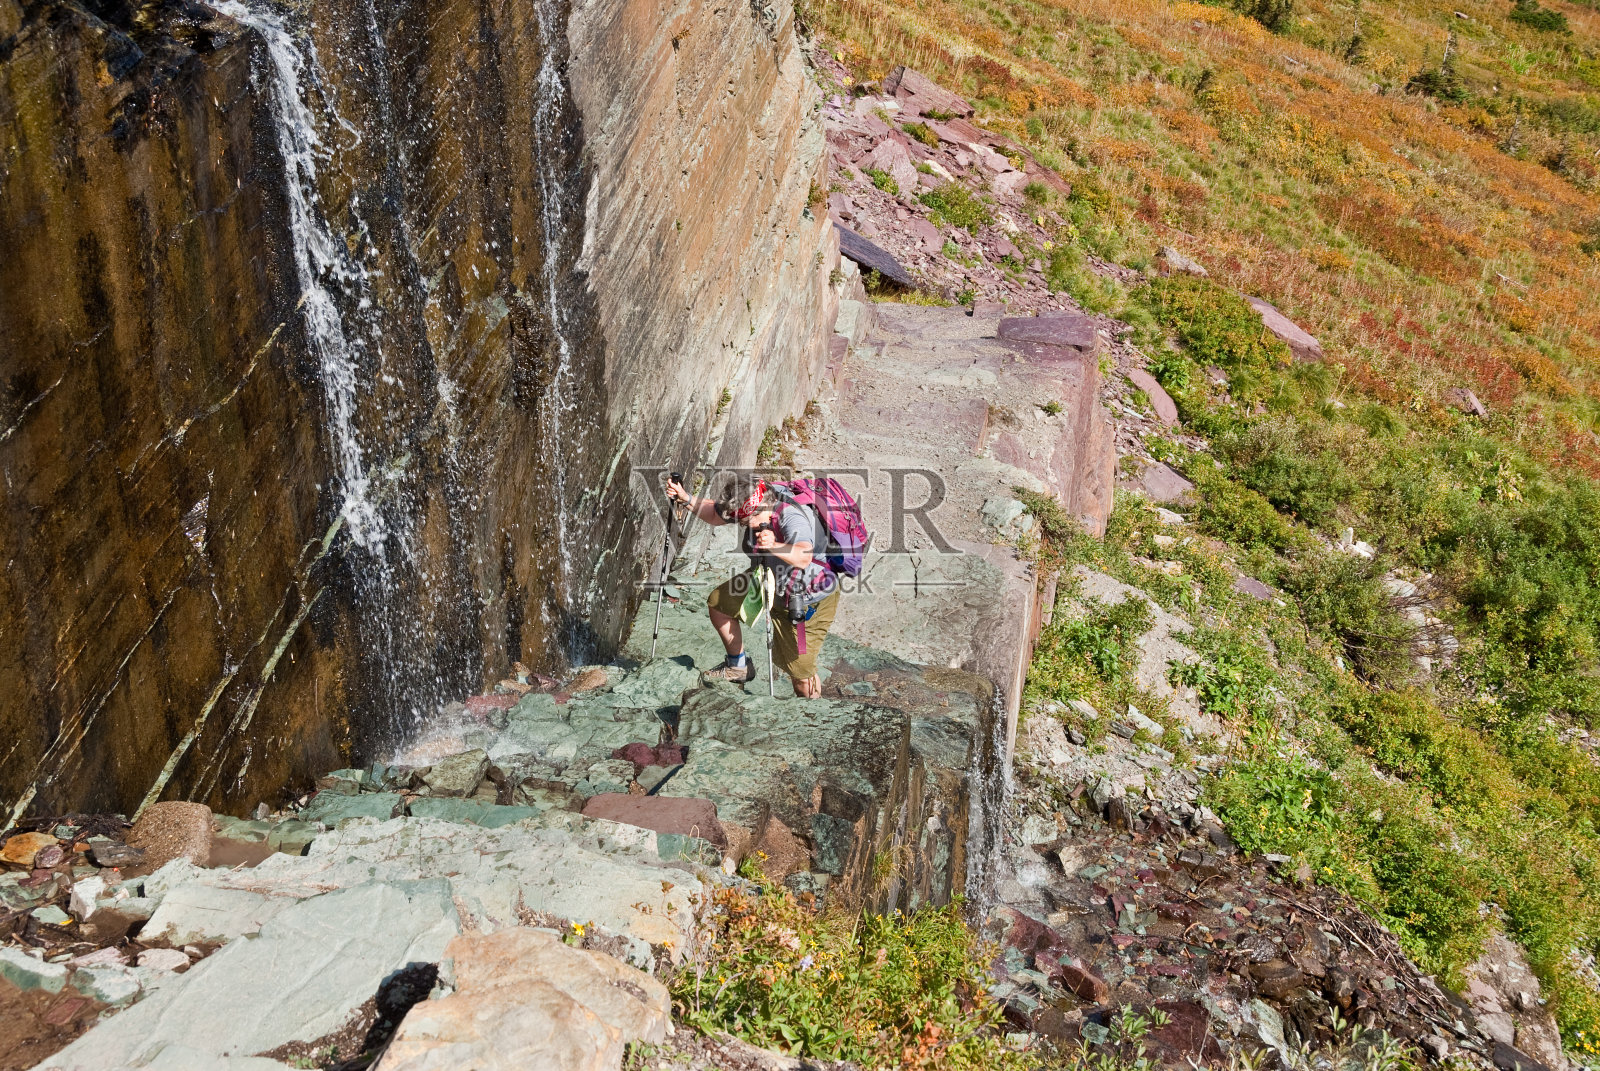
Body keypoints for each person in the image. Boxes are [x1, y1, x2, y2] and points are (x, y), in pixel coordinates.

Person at [664, 473, 841, 698]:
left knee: (801, 676)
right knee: (719, 605)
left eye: (745, 522)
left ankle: (810, 718)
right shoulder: (753, 503)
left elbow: (803, 557)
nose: (743, 525)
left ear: (757, 510)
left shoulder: (793, 517)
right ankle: (739, 667)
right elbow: (716, 514)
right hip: (766, 578)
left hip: (806, 598)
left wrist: (774, 544)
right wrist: (685, 498)